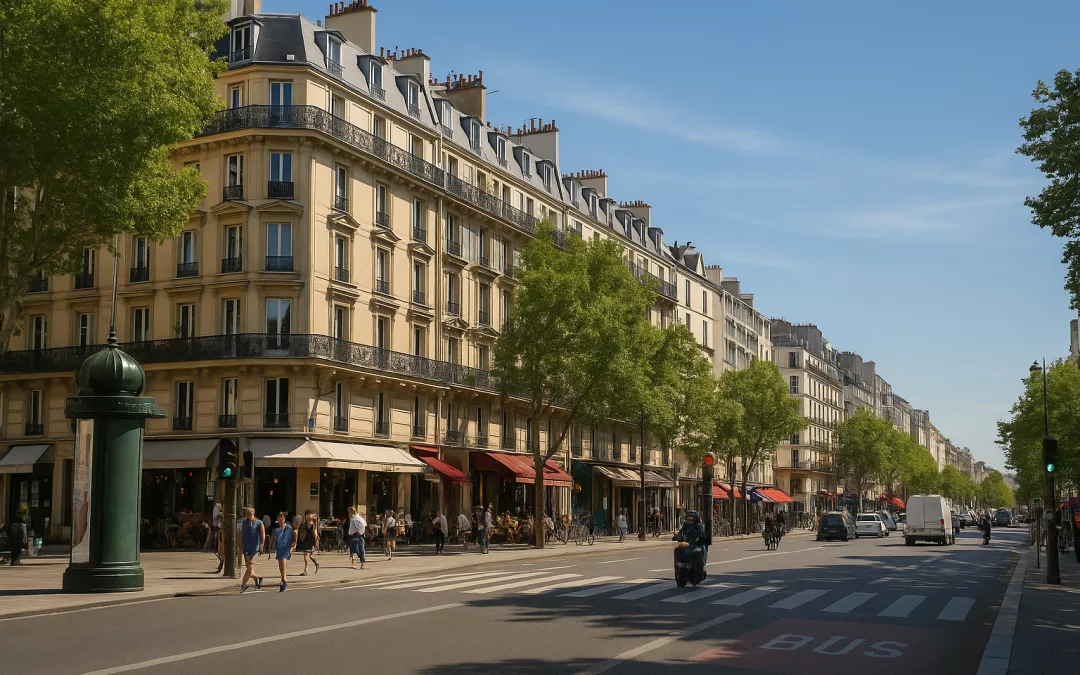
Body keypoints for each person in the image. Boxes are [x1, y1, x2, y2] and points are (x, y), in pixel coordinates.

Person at [239, 507, 265, 593]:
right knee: (249, 568)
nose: (249, 516)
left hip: (255, 548)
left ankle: (243, 585)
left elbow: (263, 535)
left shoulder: (259, 523)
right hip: (246, 547)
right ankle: (257, 579)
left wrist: (262, 545)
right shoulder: (244, 522)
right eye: (247, 514)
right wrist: (240, 545)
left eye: (250, 514)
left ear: (253, 513)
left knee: (249, 567)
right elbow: (241, 533)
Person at [270, 512, 295, 592]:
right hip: (279, 547)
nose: (281, 519)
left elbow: (295, 535)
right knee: (280, 563)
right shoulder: (276, 529)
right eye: (279, 518)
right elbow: (273, 537)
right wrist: (271, 546)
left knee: (283, 561)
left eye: (282, 518)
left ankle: (284, 579)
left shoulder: (289, 528)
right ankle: (282, 578)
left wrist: (294, 545)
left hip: (286, 547)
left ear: (284, 519)